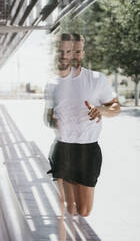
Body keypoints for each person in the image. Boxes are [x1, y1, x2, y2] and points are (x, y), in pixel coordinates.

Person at [44, 33, 120, 217]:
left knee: (84, 211)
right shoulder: (53, 83)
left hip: (88, 150)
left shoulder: (97, 79)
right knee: (70, 209)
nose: (72, 55)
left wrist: (101, 109)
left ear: (82, 53)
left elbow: (116, 107)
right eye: (68, 52)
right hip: (63, 149)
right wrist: (53, 121)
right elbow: (46, 118)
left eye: (77, 51)